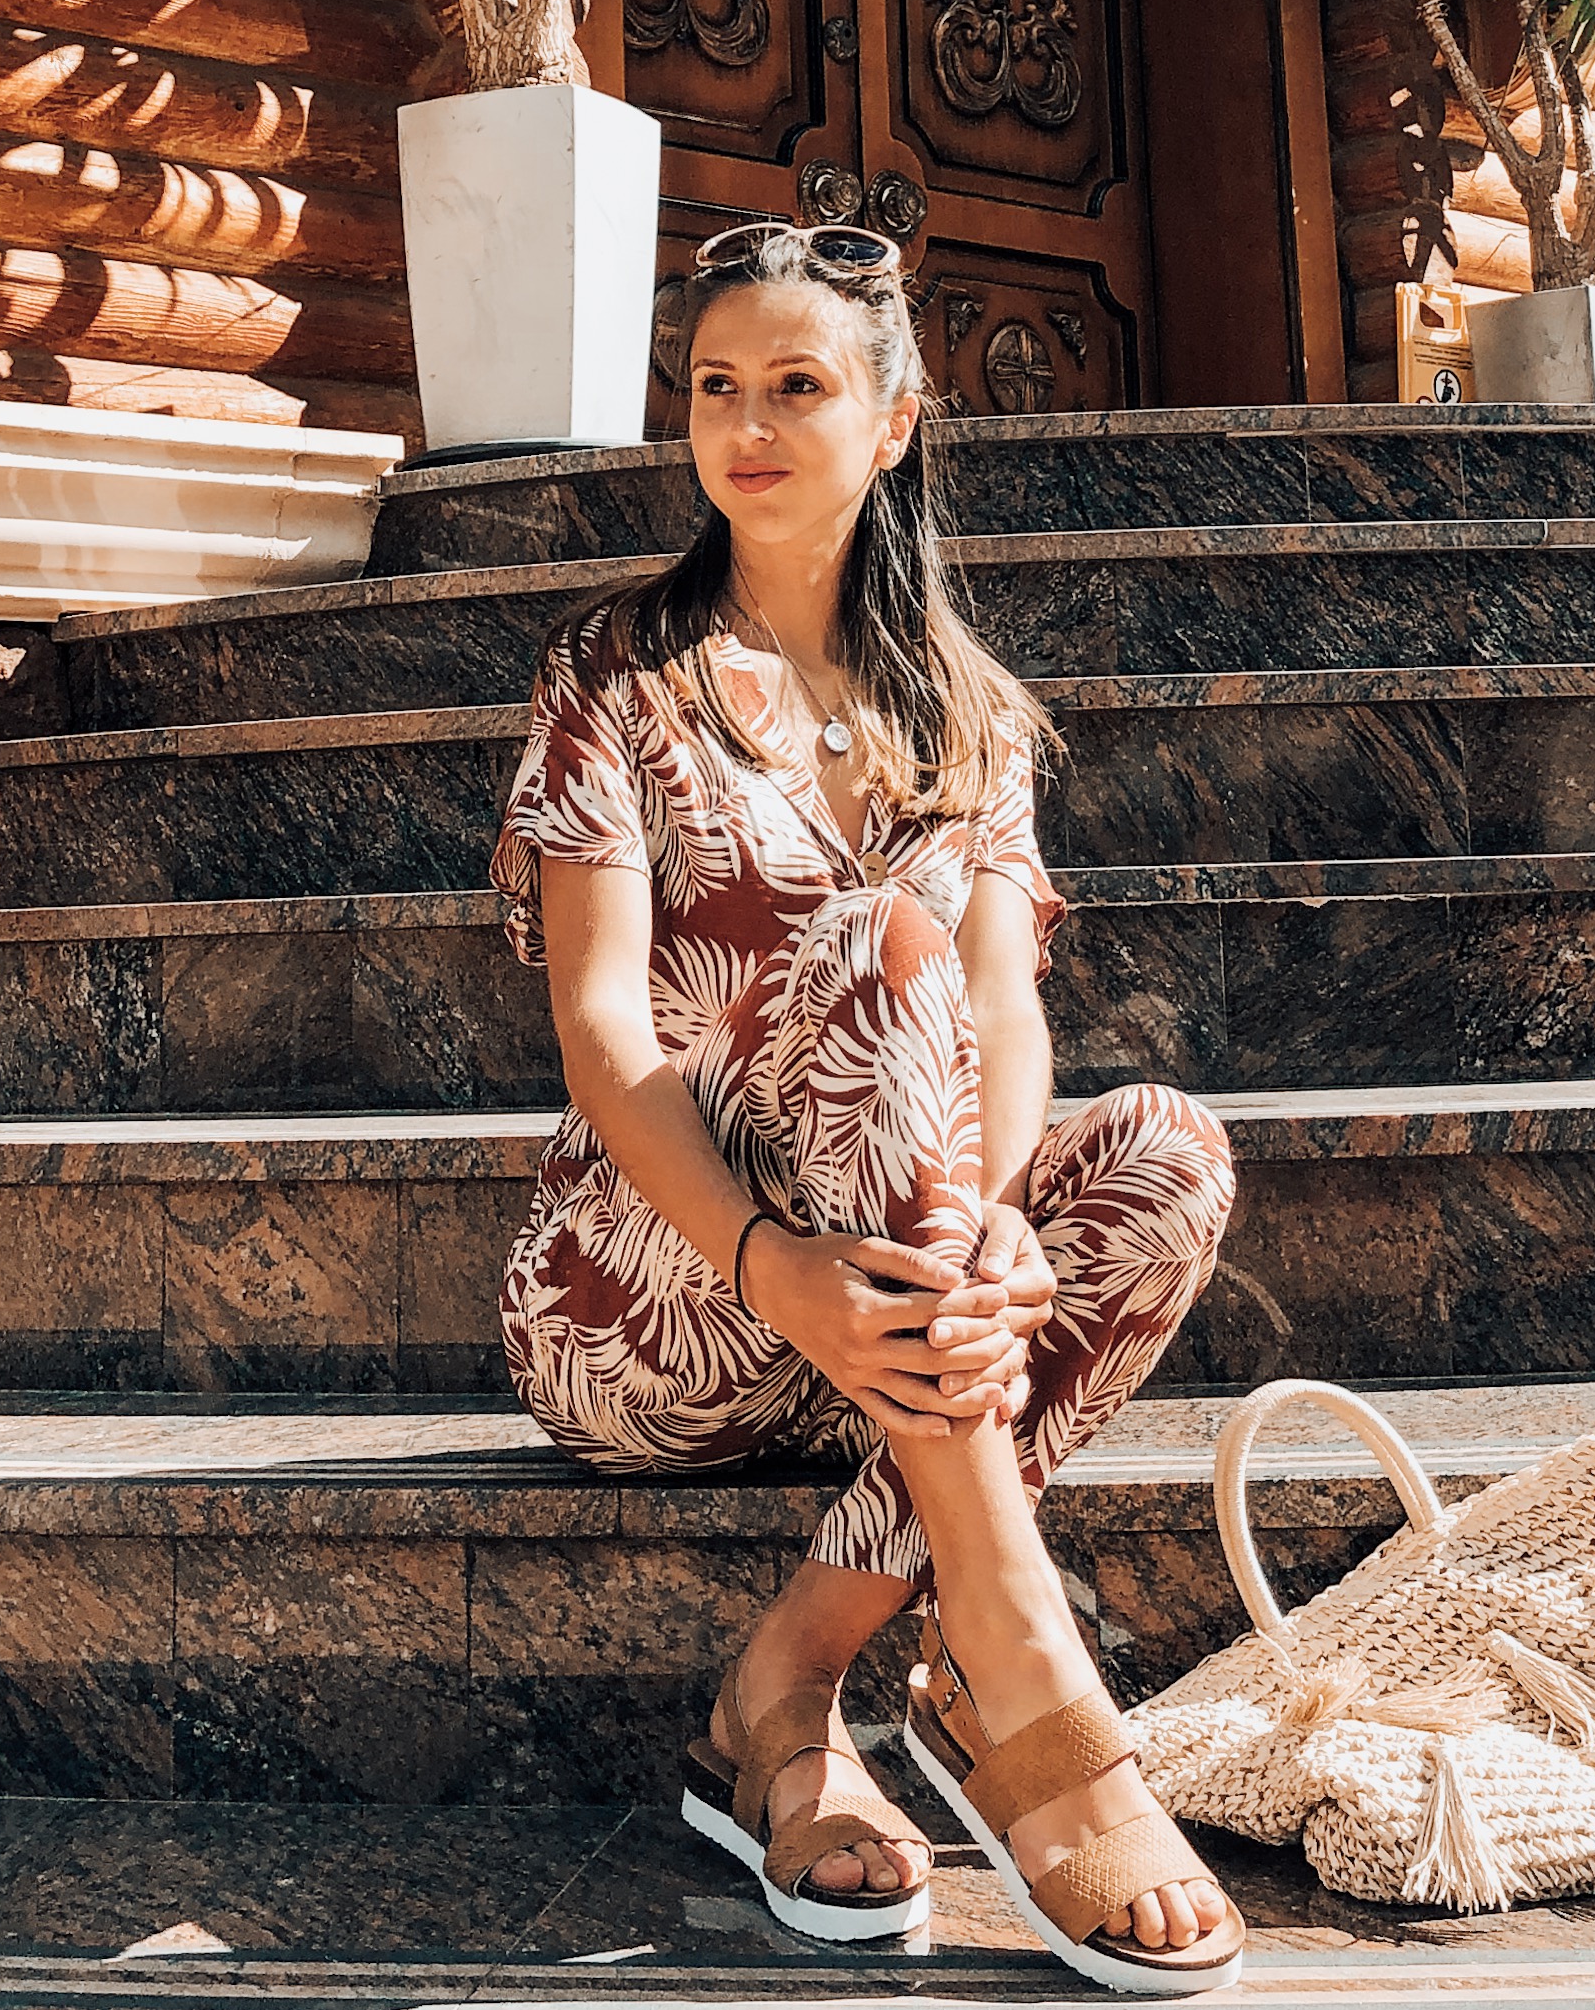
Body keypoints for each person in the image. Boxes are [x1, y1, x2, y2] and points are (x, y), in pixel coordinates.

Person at [491, 217, 1247, 1995]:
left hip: (895, 1322)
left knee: (1165, 1158)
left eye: (799, 385)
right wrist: (779, 1270)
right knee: (872, 945)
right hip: (653, 1301)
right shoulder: (618, 674)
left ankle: (790, 1676)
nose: (747, 423)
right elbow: (604, 1032)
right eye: (717, 386)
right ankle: (1019, 1663)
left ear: (895, 419)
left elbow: (1007, 1012)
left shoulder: (966, 714)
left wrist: (983, 1231)